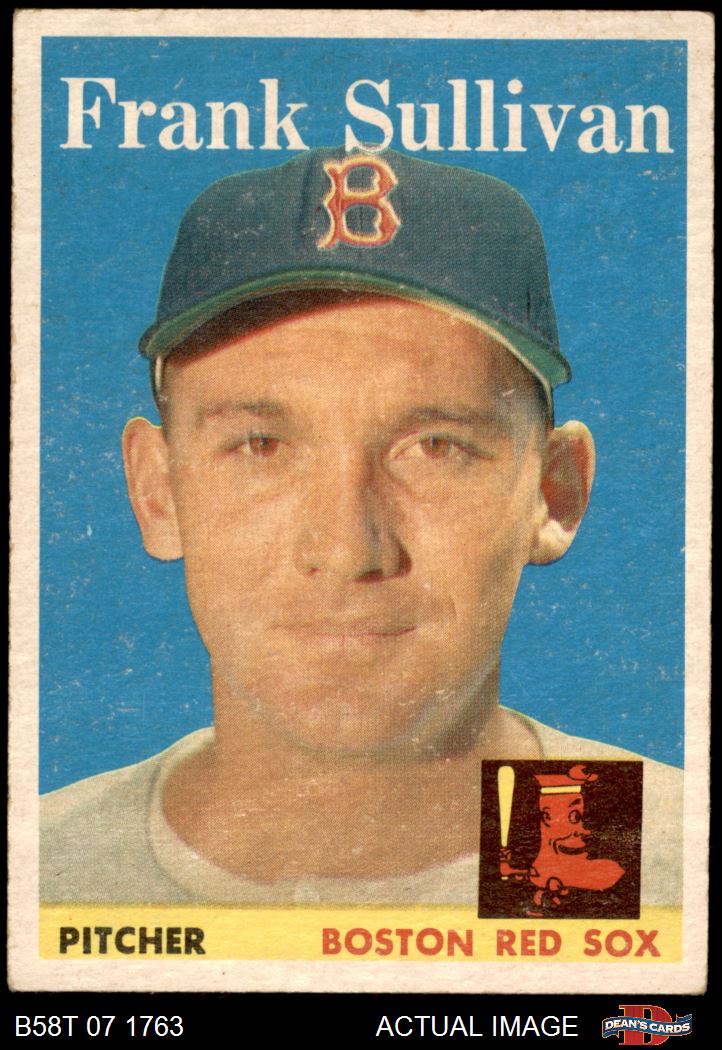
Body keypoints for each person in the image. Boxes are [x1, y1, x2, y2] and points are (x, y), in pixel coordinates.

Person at [40, 147, 682, 906]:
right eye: (260, 446)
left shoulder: (666, 865)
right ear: (157, 493)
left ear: (553, 493)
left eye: (436, 447)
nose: (347, 548)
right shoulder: (41, 873)